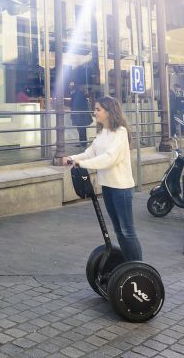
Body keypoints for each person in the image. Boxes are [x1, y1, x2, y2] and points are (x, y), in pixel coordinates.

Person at [60, 95, 143, 262]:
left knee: (127, 230)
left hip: (122, 188)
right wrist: (72, 157)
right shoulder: (101, 133)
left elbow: (109, 158)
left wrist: (82, 164)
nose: (94, 112)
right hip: (107, 186)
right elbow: (90, 153)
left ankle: (137, 267)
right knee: (118, 230)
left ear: (109, 112)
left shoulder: (120, 132)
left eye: (98, 109)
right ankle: (127, 264)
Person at [69, 82, 93, 149]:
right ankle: (83, 143)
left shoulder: (76, 94)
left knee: (81, 129)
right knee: (82, 129)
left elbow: (73, 105)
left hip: (79, 115)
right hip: (82, 115)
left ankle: (83, 143)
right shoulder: (80, 94)